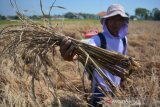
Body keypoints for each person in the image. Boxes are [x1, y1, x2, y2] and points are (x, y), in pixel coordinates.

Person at [60, 4, 129, 107]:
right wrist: (71, 55)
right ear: (107, 21)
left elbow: (124, 62)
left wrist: (122, 80)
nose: (116, 23)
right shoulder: (99, 39)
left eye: (119, 20)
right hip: (100, 88)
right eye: (113, 19)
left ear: (123, 22)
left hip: (115, 87)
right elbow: (85, 50)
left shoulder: (124, 40)